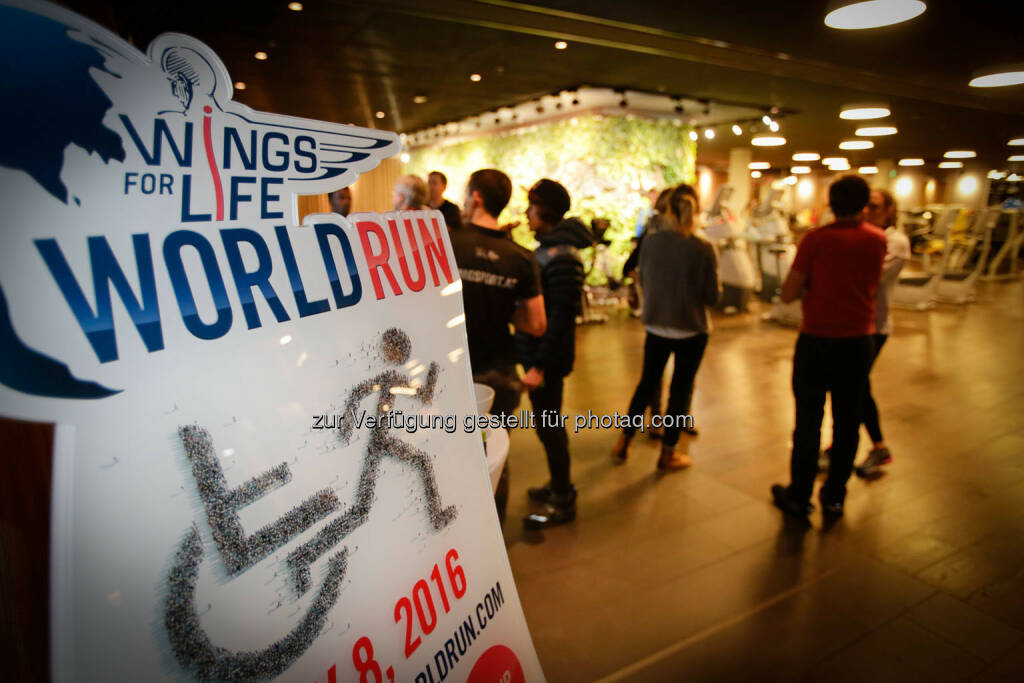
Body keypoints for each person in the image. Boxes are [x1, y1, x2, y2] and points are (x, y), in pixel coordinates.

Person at [771, 175, 887, 518]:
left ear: (830, 204)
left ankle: (800, 494)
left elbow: (789, 293)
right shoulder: (877, 241)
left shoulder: (815, 240)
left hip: (817, 341)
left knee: (808, 420)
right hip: (857, 342)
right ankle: (835, 496)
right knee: (847, 422)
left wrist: (813, 290)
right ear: (864, 206)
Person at [450, 169, 546, 518]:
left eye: (464, 193)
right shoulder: (520, 257)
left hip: (450, 374)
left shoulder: (448, 243)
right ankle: (494, 542)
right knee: (493, 461)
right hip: (498, 376)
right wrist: (501, 306)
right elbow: (536, 323)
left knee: (447, 459)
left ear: (476, 197)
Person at [611, 184, 720, 471]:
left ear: (668, 210)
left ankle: (624, 440)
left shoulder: (652, 242)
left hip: (656, 325)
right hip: (692, 329)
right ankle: (667, 453)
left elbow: (643, 279)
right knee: (680, 392)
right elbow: (712, 296)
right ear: (695, 212)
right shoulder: (704, 248)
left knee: (646, 383)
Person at [515, 179, 592, 529]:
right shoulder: (550, 250)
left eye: (531, 207)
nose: (526, 214)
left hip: (548, 358)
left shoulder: (562, 258)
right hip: (541, 355)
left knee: (550, 425)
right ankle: (558, 486)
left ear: (544, 210)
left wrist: (540, 366)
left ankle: (563, 499)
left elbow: (559, 320)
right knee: (548, 424)